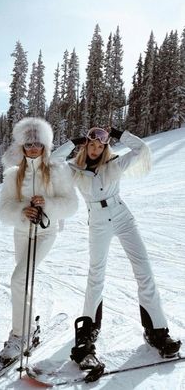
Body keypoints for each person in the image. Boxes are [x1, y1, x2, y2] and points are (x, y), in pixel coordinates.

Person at [52, 127, 181, 360]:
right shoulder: (74, 171)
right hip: (98, 224)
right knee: (96, 275)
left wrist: (120, 134)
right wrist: (73, 142)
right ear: (86, 146)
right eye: (91, 145)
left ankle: (157, 331)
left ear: (105, 148)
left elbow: (141, 149)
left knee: (144, 271)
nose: (95, 149)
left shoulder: (114, 165)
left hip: (123, 217)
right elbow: (52, 161)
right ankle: (88, 332)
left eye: (100, 146)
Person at [0, 117, 78, 364]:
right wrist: (22, 210)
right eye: (28, 144)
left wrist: (48, 204)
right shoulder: (13, 175)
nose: (33, 148)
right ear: (22, 146)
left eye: (38, 143)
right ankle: (29, 328)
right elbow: (4, 208)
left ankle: (20, 335)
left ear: (45, 146)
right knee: (24, 282)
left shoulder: (57, 170)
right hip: (21, 232)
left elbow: (71, 204)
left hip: (45, 232)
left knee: (18, 278)